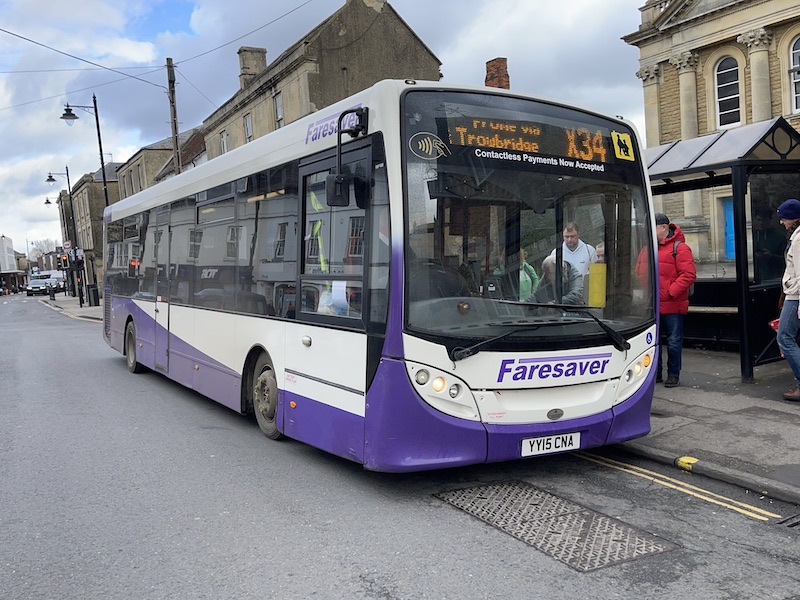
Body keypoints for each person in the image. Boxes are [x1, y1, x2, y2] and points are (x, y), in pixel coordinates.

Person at [651, 213, 696, 388]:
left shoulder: (680, 248)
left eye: (653, 226)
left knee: (673, 342)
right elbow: (639, 270)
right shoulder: (649, 247)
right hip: (653, 305)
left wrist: (670, 293)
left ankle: (673, 374)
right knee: (653, 342)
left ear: (663, 227)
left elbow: (688, 275)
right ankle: (655, 374)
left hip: (672, 304)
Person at [775, 198, 800, 401]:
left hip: (796, 296)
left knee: (784, 337)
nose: (782, 222)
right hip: (793, 294)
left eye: (784, 218)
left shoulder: (798, 239)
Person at [753, 208, 786, 282]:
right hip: (757, 277)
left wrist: (771, 256)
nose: (761, 223)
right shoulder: (752, 236)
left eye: (764, 220)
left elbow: (786, 260)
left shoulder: (779, 237)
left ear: (770, 221)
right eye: (758, 220)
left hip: (774, 278)